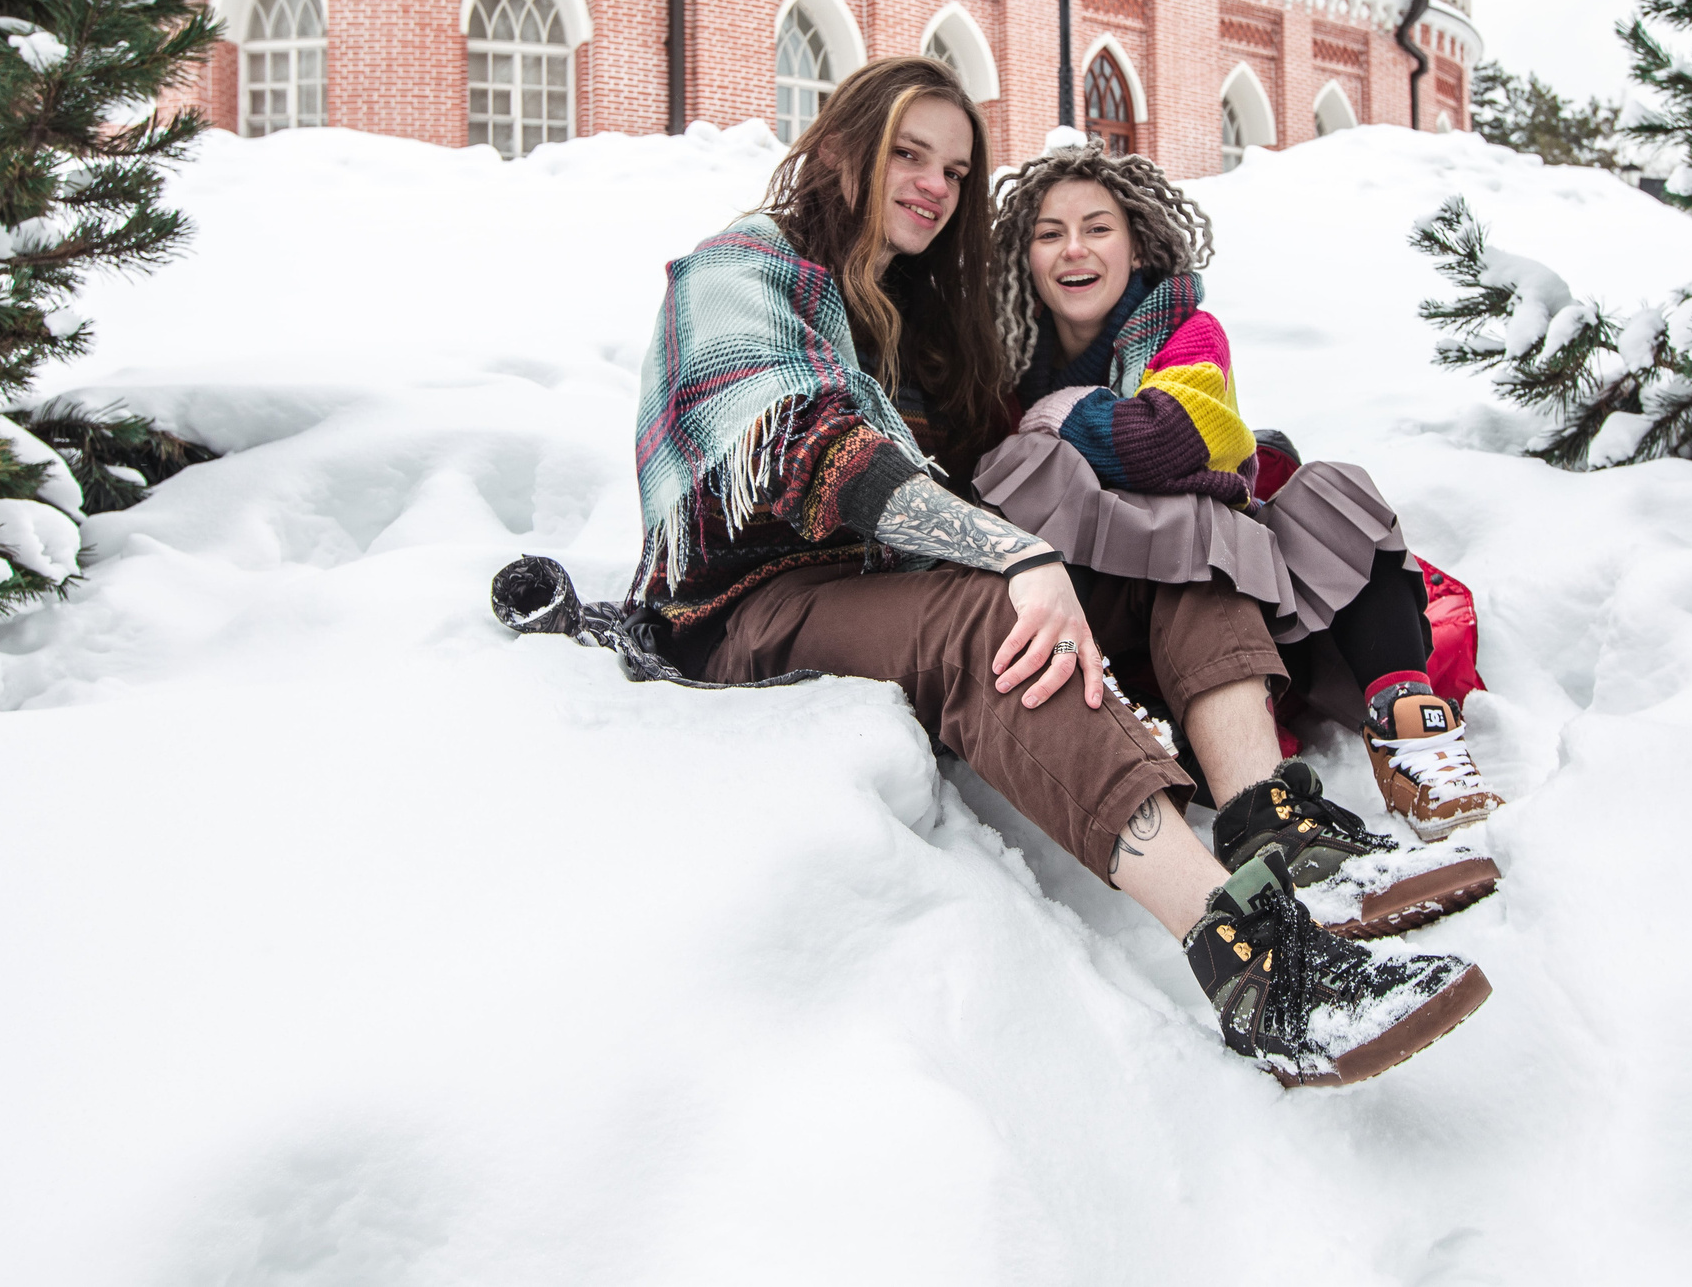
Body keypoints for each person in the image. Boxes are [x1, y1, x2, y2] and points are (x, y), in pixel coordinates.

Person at [621, 57, 1489, 1086]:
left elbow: (995, 458)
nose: (934, 186)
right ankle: (1255, 961)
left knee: (1176, 548)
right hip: (756, 606)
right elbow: (816, 453)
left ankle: (1270, 818)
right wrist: (1018, 554)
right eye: (908, 154)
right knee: (997, 613)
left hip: (889, 579)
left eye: (954, 168)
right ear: (844, 148)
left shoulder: (910, 309)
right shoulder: (742, 272)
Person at [975, 146, 1506, 883]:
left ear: (1138, 245)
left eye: (1097, 228)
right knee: (1033, 467)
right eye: (1049, 233)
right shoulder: (1001, 364)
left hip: (1241, 597)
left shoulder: (1188, 332)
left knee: (1329, 491)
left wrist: (1066, 413)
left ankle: (1411, 730)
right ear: (1023, 256)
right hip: (1128, 629)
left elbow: (1170, 441)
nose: (1074, 249)